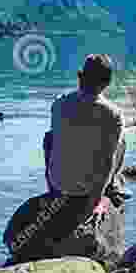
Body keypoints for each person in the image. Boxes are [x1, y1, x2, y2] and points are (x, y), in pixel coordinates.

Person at [44, 54, 130, 215]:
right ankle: (111, 185)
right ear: (107, 82)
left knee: (49, 138)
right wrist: (96, 202)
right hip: (88, 189)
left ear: (80, 77)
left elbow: (56, 144)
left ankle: (52, 190)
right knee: (120, 140)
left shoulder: (59, 103)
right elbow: (107, 160)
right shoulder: (113, 114)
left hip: (59, 184)